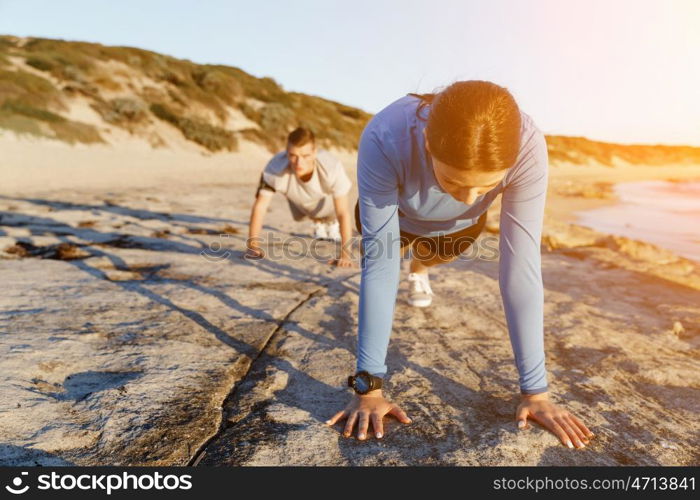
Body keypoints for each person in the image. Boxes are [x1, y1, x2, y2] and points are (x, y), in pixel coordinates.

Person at [326, 81, 595, 449]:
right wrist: (368, 386)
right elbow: (380, 263)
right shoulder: (386, 134)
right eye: (453, 180)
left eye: (485, 188)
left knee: (430, 254)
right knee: (392, 258)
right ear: (426, 145)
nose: (468, 197)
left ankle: (420, 269)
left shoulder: (528, 145)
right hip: (398, 219)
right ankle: (416, 265)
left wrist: (536, 391)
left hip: (457, 232)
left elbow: (521, 264)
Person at [245, 127, 355, 267]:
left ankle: (328, 223)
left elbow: (343, 212)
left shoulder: (332, 167)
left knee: (330, 215)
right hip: (299, 203)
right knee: (301, 215)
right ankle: (319, 222)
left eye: (305, 156)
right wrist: (253, 246)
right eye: (293, 155)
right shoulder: (274, 168)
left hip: (326, 204)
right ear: (286, 152)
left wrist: (345, 255)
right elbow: (260, 207)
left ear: (315, 152)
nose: (299, 163)